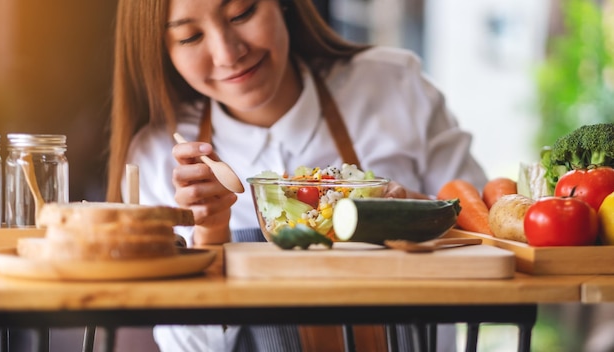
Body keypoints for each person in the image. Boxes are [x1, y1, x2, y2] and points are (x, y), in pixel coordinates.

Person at [106, 0, 488, 351]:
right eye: (190, 36)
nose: (228, 54)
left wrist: (419, 218)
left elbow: (488, 248)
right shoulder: (157, 157)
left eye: (242, 12)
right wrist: (211, 238)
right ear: (162, 50)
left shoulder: (394, 86)